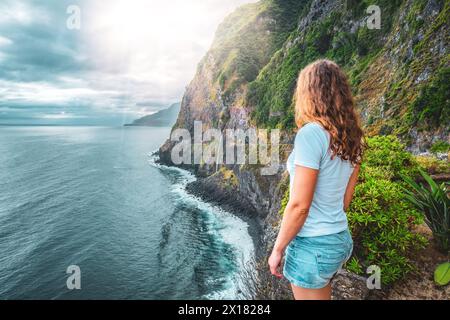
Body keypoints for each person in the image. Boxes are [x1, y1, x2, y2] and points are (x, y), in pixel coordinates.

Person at [268, 59, 365, 300]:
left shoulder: (311, 134)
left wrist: (277, 249)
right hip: (339, 240)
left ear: (309, 93)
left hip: (313, 247)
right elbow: (344, 202)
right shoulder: (353, 139)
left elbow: (300, 206)